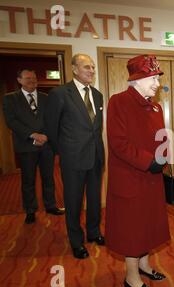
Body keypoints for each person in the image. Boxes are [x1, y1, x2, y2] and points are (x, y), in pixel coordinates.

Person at [105, 55, 170, 287]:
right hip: (130, 177)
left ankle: (144, 265)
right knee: (132, 228)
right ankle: (131, 277)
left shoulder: (156, 106)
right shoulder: (118, 102)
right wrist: (148, 161)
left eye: (157, 78)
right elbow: (118, 143)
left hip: (151, 176)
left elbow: (161, 136)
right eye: (153, 78)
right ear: (137, 80)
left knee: (148, 223)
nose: (156, 83)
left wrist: (164, 155)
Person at [44, 54, 105, 259]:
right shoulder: (60, 93)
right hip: (72, 159)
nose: (91, 71)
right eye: (87, 67)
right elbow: (51, 129)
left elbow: (95, 128)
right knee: (73, 201)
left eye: (93, 67)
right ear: (74, 69)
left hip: (95, 156)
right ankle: (76, 241)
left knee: (95, 199)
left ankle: (94, 232)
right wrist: (64, 152)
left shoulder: (97, 95)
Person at [3, 69, 64, 224]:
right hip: (26, 145)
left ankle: (51, 205)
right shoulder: (10, 98)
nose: (32, 80)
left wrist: (45, 136)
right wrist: (33, 135)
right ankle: (30, 210)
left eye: (34, 78)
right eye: (28, 78)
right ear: (19, 80)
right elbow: (11, 121)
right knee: (28, 180)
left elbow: (52, 119)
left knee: (48, 178)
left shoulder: (46, 97)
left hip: (46, 145)